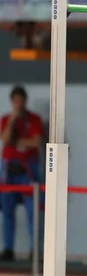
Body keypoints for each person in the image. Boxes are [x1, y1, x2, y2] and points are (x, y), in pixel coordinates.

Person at [0, 85, 42, 262]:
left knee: (33, 210)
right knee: (7, 210)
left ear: (25, 101)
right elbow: (5, 140)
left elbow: (36, 142)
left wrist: (17, 142)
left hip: (28, 169)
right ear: (12, 102)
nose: (18, 104)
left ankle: (35, 249)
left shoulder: (34, 119)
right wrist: (12, 121)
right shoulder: (6, 119)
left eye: (21, 101)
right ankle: (8, 248)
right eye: (15, 101)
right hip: (10, 168)